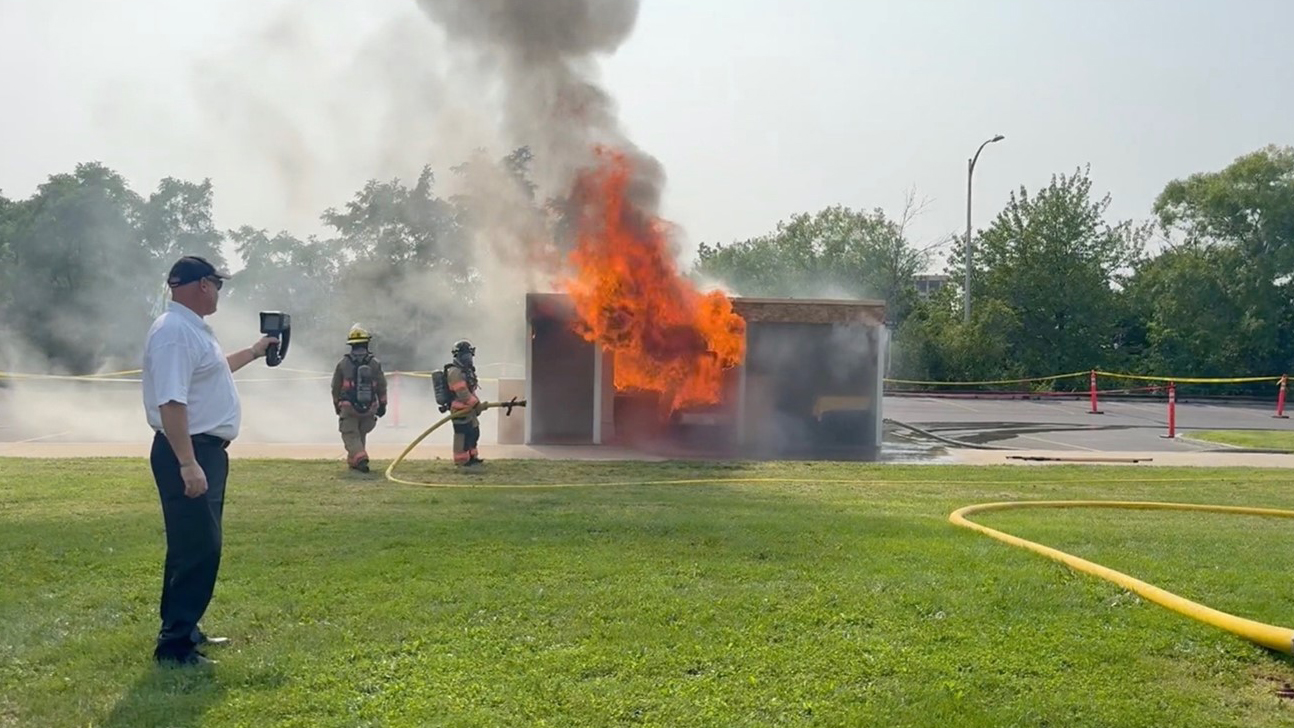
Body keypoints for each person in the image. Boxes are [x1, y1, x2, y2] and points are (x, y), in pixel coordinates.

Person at [141, 255, 278, 667]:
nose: (218, 292)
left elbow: (213, 373)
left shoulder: (189, 330)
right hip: (190, 449)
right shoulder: (175, 333)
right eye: (217, 285)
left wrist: (254, 352)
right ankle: (175, 645)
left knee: (192, 544)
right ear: (203, 285)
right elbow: (171, 401)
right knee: (199, 545)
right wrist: (187, 462)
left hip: (203, 450)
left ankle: (184, 627)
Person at [330, 324, 388, 473]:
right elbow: (382, 385)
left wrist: (336, 404)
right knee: (360, 433)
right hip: (370, 407)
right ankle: (354, 462)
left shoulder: (343, 363)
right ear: (366, 343)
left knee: (350, 434)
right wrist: (383, 404)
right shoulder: (375, 363)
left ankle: (361, 458)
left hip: (348, 406)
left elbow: (335, 387)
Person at [445, 339, 484, 467]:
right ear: (458, 356)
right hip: (459, 410)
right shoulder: (455, 372)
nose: (468, 358)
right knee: (462, 435)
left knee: (474, 432)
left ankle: (472, 457)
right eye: (465, 356)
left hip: (469, 409)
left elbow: (471, 390)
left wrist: (476, 404)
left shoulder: (466, 371)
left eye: (469, 355)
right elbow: (462, 393)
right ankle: (461, 460)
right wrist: (475, 404)